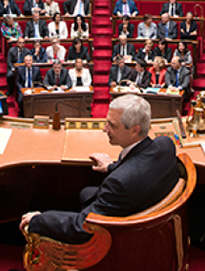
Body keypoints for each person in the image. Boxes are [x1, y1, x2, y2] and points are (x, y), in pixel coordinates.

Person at [21, 95, 178, 243]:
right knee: (86, 192)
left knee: (82, 194)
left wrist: (39, 220)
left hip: (122, 236)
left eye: (112, 125)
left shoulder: (119, 183)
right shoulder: (165, 144)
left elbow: (82, 227)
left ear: (135, 130)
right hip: (145, 205)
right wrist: (112, 167)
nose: (104, 129)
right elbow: (141, 164)